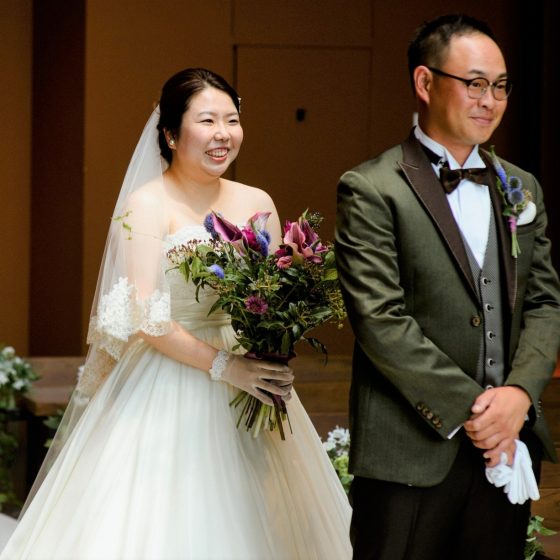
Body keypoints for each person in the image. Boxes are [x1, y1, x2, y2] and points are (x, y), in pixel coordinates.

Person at [1, 68, 351, 559]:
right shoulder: (146, 204)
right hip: (169, 376)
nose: (222, 134)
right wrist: (227, 366)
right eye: (207, 121)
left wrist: (272, 346)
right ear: (170, 133)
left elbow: (275, 293)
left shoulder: (257, 201)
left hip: (251, 381)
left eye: (231, 120)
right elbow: (147, 316)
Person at [335, 14, 560, 560]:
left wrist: (518, 395)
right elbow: (379, 320)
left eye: (500, 86)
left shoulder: (520, 187)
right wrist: (479, 411)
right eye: (475, 83)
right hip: (409, 452)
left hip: (505, 447)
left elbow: (543, 302)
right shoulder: (371, 187)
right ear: (425, 81)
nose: (490, 101)